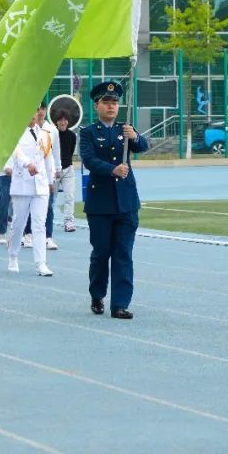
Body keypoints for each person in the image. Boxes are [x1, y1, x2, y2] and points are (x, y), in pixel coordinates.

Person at [80, 81, 149, 319]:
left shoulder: (125, 129)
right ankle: (97, 294)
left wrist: (136, 136)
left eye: (115, 102)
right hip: (100, 204)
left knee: (123, 253)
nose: (111, 106)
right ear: (97, 105)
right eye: (106, 102)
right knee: (101, 253)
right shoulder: (88, 132)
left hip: (126, 203)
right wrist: (112, 170)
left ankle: (120, 304)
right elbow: (89, 160)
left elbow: (143, 147)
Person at [8, 107, 57, 275]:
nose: (33, 114)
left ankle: (41, 263)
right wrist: (27, 164)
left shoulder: (45, 134)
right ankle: (13, 256)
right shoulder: (15, 133)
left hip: (41, 184)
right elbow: (16, 153)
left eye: (36, 110)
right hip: (23, 183)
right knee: (18, 224)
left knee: (39, 224)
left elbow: (47, 158)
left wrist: (51, 180)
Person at [55, 111, 78, 233]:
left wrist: (65, 165)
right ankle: (44, 220)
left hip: (68, 170)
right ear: (56, 122)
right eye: (60, 120)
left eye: (65, 120)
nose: (63, 122)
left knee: (69, 196)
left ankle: (68, 221)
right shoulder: (52, 135)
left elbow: (70, 153)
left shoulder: (72, 136)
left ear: (68, 122)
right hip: (53, 171)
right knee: (49, 198)